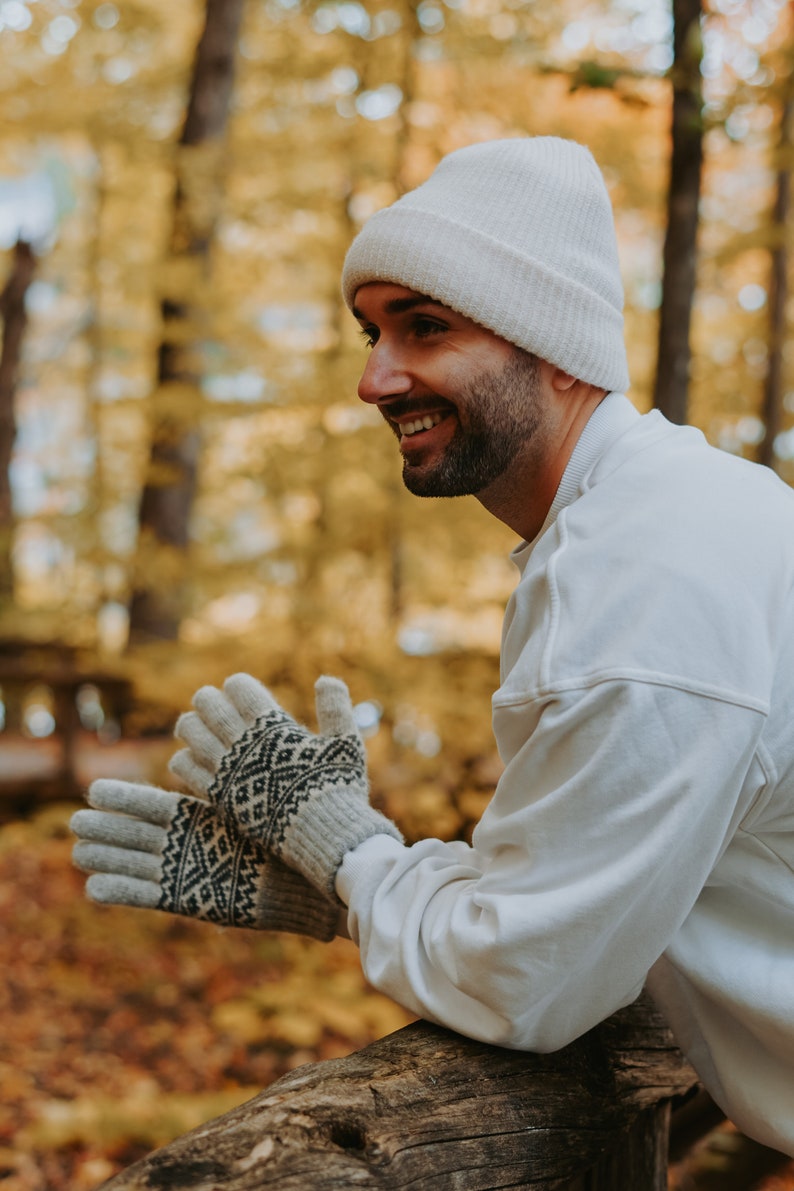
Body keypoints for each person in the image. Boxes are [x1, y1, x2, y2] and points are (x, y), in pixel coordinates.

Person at [71, 137, 794, 1156]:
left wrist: (353, 860)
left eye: (424, 329)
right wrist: (348, 887)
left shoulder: (642, 583)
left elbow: (525, 983)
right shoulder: (643, 522)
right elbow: (577, 891)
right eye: (369, 332)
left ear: (551, 346)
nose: (374, 379)